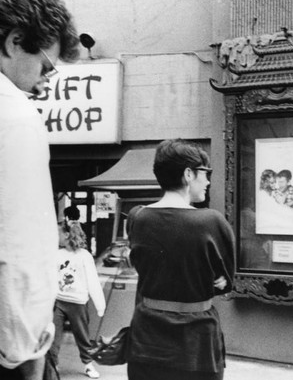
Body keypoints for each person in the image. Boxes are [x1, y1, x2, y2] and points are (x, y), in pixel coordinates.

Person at [0, 0, 79, 379]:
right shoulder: (15, 115)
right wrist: (26, 352)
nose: (45, 82)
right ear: (14, 42)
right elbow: (20, 249)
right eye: (47, 66)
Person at [126, 139, 235, 380]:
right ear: (188, 174)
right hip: (196, 341)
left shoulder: (137, 217)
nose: (207, 181)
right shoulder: (212, 222)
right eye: (205, 174)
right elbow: (224, 282)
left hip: (146, 338)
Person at [49, 221, 105, 379]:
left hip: (78, 302)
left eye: (58, 233)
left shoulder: (84, 256)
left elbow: (93, 281)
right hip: (59, 301)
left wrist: (100, 305)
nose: (56, 236)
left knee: (82, 336)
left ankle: (88, 364)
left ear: (67, 235)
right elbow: (50, 277)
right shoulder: (57, 254)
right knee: (53, 337)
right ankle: (53, 367)